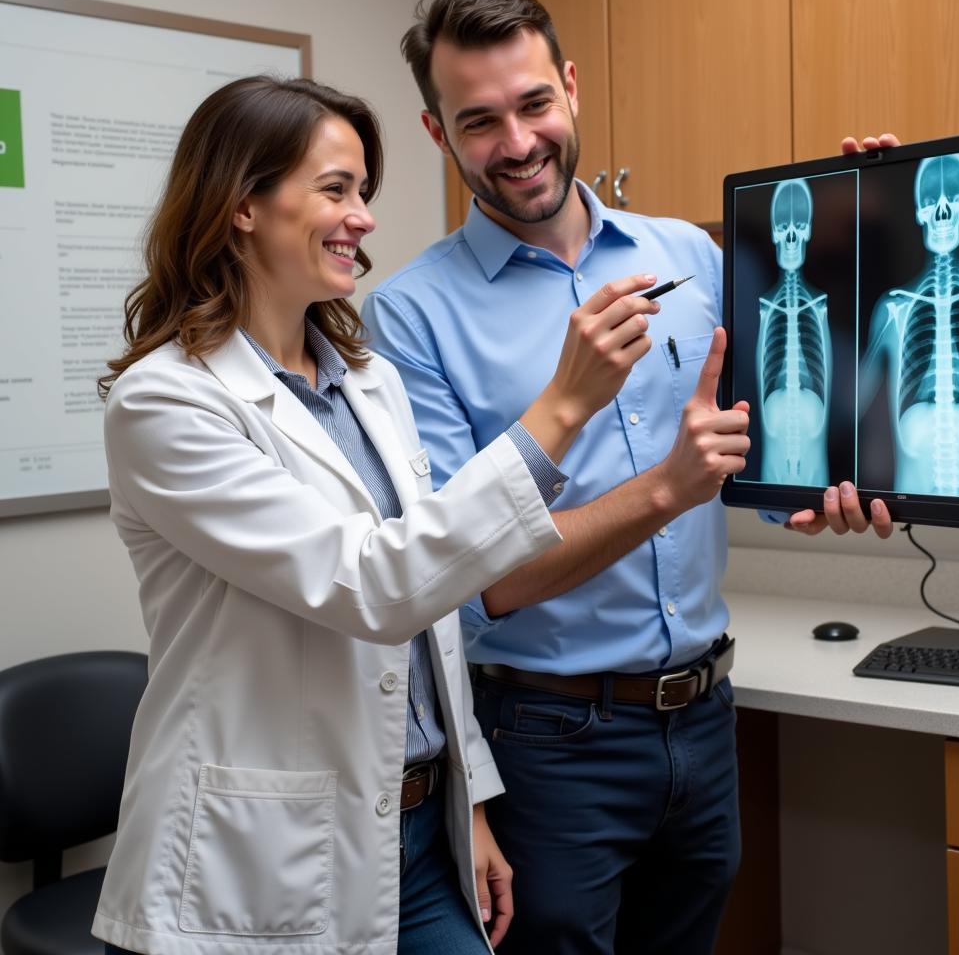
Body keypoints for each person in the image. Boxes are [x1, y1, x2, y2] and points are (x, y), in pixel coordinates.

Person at [361, 0, 895, 955]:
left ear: (570, 87)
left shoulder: (685, 254)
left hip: (704, 716)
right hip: (546, 739)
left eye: (532, 104)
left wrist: (872, 215)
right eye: (478, 121)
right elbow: (482, 581)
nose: (517, 143)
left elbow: (754, 461)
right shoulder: (410, 317)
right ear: (439, 135)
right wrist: (665, 490)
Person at [91, 74, 667, 955]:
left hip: (418, 834)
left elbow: (431, 619)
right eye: (335, 190)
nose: (362, 216)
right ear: (243, 205)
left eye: (363, 192)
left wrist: (466, 799)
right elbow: (376, 584)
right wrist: (560, 408)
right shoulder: (166, 404)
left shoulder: (368, 381)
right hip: (256, 862)